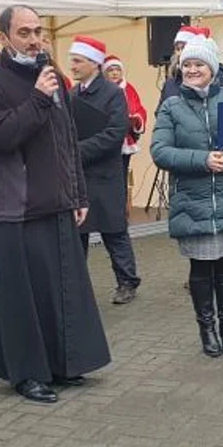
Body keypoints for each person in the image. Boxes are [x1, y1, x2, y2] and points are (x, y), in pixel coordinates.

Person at [0, 5, 111, 404]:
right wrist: (38, 100)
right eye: (24, 32)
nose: (34, 40)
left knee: (59, 291)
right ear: (4, 38)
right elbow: (0, 138)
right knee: (23, 300)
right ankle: (27, 374)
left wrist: (79, 193)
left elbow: (67, 141)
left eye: (38, 32)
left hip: (58, 201)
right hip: (19, 207)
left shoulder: (53, 78)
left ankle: (62, 363)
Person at [151, 36, 223, 356]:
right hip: (193, 201)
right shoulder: (172, 107)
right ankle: (207, 330)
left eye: (198, 64)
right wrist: (201, 161)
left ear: (212, 69)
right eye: (186, 65)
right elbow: (160, 151)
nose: (191, 70)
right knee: (201, 268)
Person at [68, 35, 140, 305]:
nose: (72, 66)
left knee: (114, 231)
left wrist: (77, 151)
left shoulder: (113, 94)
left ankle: (127, 281)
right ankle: (76, 285)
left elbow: (114, 134)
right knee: (79, 233)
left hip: (106, 174)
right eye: (71, 60)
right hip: (79, 176)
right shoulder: (72, 94)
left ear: (94, 64)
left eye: (77, 61)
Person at [158, 26, 223, 108]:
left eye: (184, 47)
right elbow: (160, 112)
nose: (180, 53)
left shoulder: (217, 79)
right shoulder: (170, 83)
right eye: (177, 49)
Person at [102, 55, 147, 174]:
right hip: (106, 141)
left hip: (125, 139)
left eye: (117, 69)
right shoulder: (101, 90)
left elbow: (138, 108)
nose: (115, 73)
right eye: (111, 70)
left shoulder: (129, 89)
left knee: (122, 176)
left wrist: (136, 120)